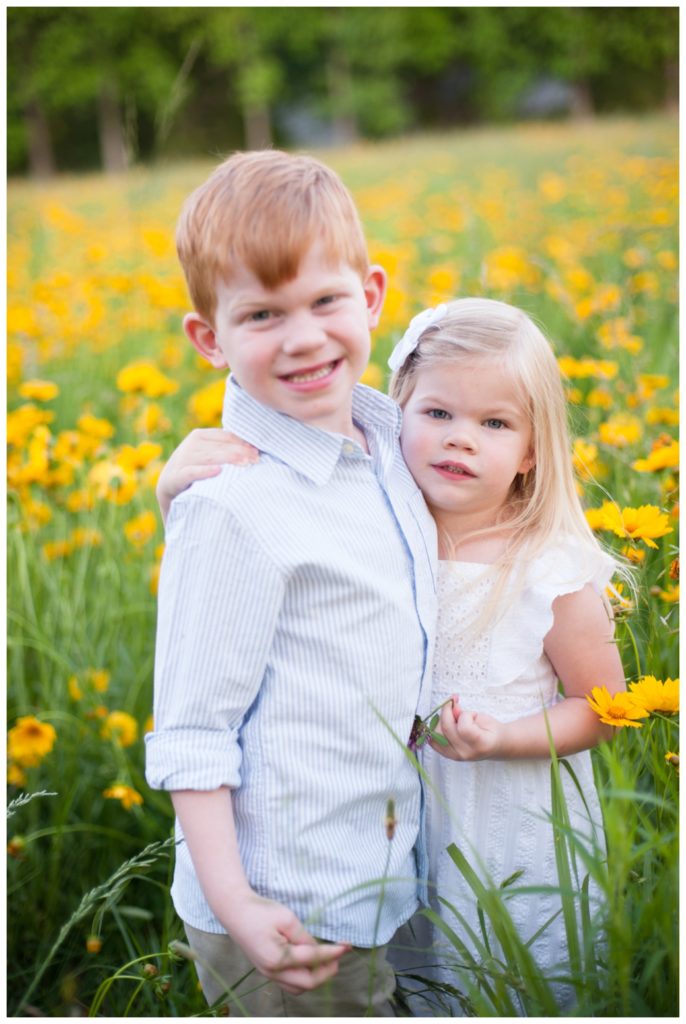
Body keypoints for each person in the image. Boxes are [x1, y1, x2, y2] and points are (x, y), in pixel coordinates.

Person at [159, 297, 626, 1014]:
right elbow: (263, 543)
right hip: (389, 824)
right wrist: (173, 492)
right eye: (437, 414)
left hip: (509, 820)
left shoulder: (549, 565)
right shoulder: (380, 510)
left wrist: (505, 738)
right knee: (412, 978)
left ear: (533, 449)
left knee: (511, 982)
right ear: (395, 412)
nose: (459, 440)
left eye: (494, 423)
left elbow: (603, 708)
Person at [144, 149, 437, 1018]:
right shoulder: (229, 507)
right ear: (210, 338)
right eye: (263, 314)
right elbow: (194, 732)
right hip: (285, 904)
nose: (304, 337)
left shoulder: (391, 444)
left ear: (373, 296)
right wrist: (240, 907)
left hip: (379, 867)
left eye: (325, 301)